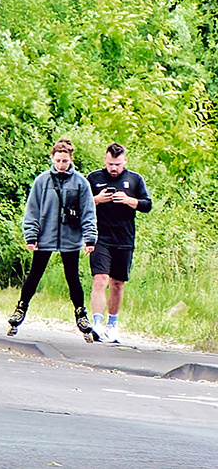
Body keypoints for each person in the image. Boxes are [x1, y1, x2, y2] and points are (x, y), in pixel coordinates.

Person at [8, 138, 99, 341]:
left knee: (72, 277)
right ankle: (20, 309)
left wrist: (90, 238)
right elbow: (32, 210)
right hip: (45, 236)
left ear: (71, 160)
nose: (60, 165)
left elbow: (88, 212)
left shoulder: (80, 183)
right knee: (35, 274)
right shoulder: (42, 181)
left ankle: (81, 314)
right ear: (52, 159)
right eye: (57, 160)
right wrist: (31, 235)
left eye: (64, 161)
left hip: (70, 237)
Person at [87, 142, 152, 343]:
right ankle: (96, 323)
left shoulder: (134, 179)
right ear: (105, 160)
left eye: (117, 164)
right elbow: (81, 203)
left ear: (125, 161)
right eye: (110, 164)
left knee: (117, 283)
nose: (114, 168)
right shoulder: (94, 178)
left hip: (124, 238)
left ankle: (112, 325)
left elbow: (147, 205)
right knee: (100, 279)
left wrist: (129, 201)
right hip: (100, 237)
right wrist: (97, 199)